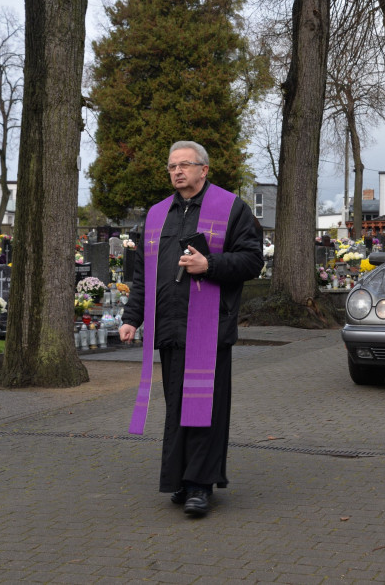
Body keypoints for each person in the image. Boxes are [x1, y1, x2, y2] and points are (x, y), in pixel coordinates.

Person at [120, 140, 263, 518]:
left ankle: (202, 485)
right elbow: (143, 275)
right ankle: (181, 480)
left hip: (209, 329)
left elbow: (252, 260)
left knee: (205, 409)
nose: (177, 171)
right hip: (169, 326)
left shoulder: (231, 208)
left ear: (204, 169)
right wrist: (132, 317)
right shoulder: (156, 215)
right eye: (172, 166)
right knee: (176, 408)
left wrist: (210, 265)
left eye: (185, 164)